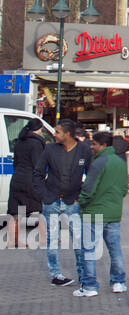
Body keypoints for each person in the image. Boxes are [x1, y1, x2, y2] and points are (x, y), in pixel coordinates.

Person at [34, 119, 92, 289]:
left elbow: (91, 176)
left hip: (72, 202)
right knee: (52, 240)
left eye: (57, 131)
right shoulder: (50, 149)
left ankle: (83, 275)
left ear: (67, 134)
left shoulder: (84, 150)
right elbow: (37, 173)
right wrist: (44, 195)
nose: (54, 134)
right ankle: (56, 274)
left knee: (79, 240)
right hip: (51, 201)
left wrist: (82, 197)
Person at [79, 131, 129, 294]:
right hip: (113, 212)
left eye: (94, 144)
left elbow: (89, 188)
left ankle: (89, 285)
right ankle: (118, 282)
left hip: (94, 211)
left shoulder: (98, 162)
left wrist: (81, 201)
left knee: (89, 249)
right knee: (115, 248)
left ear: (103, 145)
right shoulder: (120, 162)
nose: (91, 146)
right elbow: (123, 188)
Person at [6, 118, 45, 243]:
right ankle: (46, 238)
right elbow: (37, 165)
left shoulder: (19, 142)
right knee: (38, 209)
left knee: (15, 211)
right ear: (39, 129)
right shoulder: (36, 143)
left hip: (17, 178)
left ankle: (14, 240)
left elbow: (16, 163)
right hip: (30, 180)